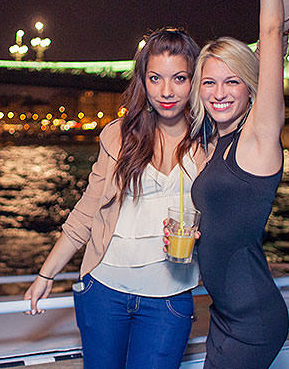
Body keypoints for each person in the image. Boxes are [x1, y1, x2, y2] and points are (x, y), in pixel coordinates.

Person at [24, 27, 205, 369]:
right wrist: (46, 274)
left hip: (169, 298)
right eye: (155, 78)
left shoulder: (208, 144)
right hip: (103, 290)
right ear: (143, 82)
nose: (166, 91)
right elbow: (87, 211)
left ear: (195, 81)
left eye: (179, 78)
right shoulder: (119, 136)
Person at [189, 0, 289, 369]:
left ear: (252, 88)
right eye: (210, 82)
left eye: (232, 81)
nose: (219, 93)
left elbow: (275, 34)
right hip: (223, 312)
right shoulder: (219, 143)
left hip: (254, 318)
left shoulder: (258, 138)